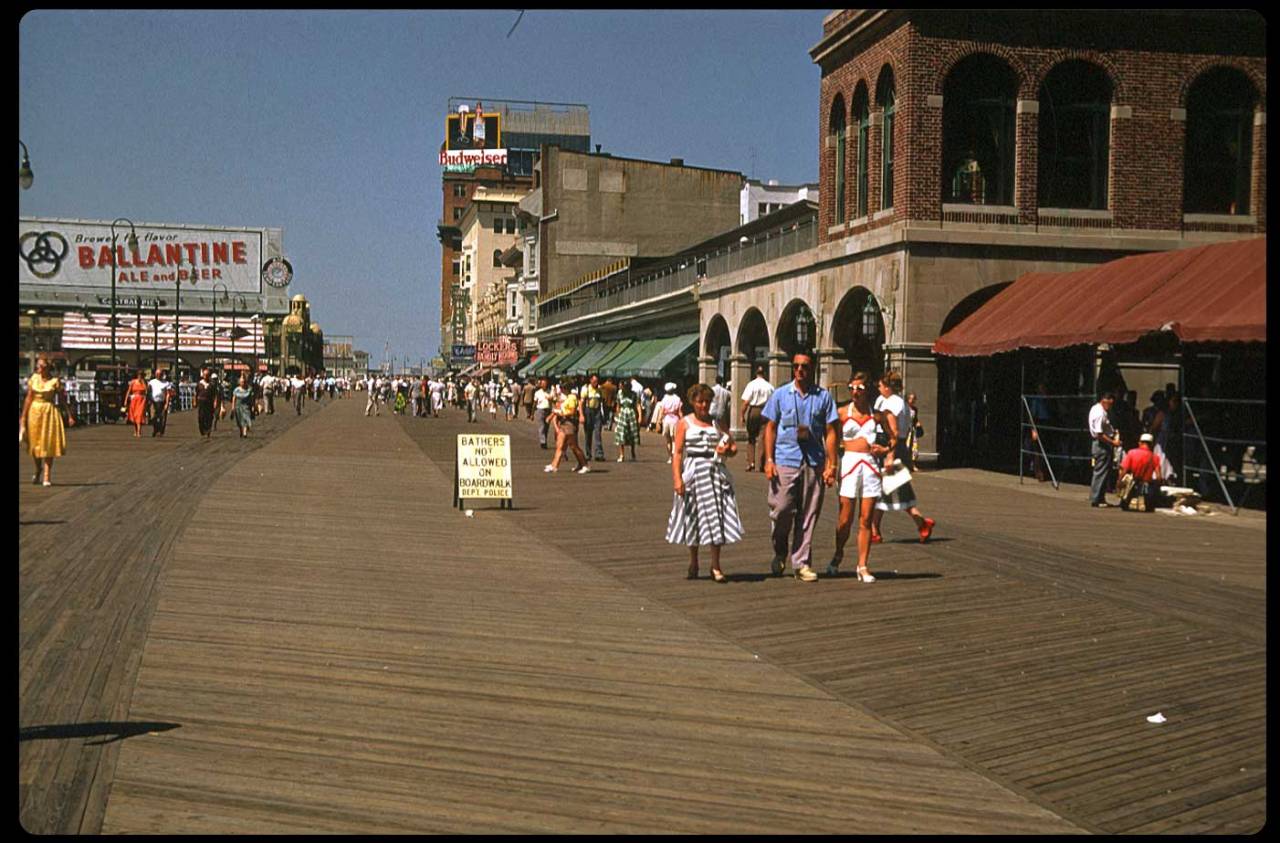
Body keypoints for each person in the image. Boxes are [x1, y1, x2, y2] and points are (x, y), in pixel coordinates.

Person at [760, 351, 839, 582]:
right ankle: (780, 550)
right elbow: (770, 427)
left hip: (813, 461)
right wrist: (768, 460)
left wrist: (831, 465)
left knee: (808, 514)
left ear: (811, 368)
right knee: (782, 509)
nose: (799, 370)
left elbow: (832, 431)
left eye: (804, 366)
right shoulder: (781, 395)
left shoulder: (823, 397)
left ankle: (801, 563)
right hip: (785, 458)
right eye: (796, 366)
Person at [666, 383, 743, 582]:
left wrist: (726, 451)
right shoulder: (684, 423)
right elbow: (678, 453)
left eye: (707, 402)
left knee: (715, 516)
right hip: (693, 472)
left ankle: (715, 565)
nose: (704, 406)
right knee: (693, 517)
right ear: (692, 402)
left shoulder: (717, 422)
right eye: (700, 402)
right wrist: (677, 478)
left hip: (714, 471)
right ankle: (694, 561)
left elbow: (733, 447)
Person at [828, 372, 891, 582]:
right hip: (849, 465)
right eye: (852, 387)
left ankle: (862, 565)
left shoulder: (877, 415)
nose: (855, 392)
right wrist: (832, 462)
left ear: (868, 391)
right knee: (845, 518)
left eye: (860, 388)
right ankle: (838, 553)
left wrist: (885, 449)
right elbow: (829, 435)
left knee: (866, 519)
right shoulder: (843, 413)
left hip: (870, 466)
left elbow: (894, 438)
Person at [871, 371, 936, 543]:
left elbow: (894, 432)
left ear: (887, 387)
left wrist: (889, 454)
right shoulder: (893, 401)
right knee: (886, 490)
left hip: (891, 447)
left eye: (880, 385)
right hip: (890, 446)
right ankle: (875, 529)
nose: (878, 387)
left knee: (890, 489)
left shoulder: (894, 403)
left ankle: (921, 523)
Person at [19, 357, 76, 487]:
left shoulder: (54, 381)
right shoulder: (34, 378)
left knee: (48, 443)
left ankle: (46, 474)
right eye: (38, 366)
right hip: (34, 411)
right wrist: (23, 416)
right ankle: (38, 468)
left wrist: (69, 415)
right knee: (35, 444)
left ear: (46, 368)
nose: (38, 368)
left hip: (48, 412)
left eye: (40, 366)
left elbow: (62, 399)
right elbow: (28, 398)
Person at [545, 384, 590, 474]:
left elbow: (572, 411)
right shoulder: (566, 398)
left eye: (562, 388)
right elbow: (560, 408)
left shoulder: (572, 398)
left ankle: (585, 465)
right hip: (563, 424)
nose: (561, 390)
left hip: (570, 424)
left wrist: (562, 414)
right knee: (560, 445)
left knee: (574, 446)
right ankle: (554, 465)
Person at [1088, 391, 1121, 507]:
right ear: (1105, 401)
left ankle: (1099, 497)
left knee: (1103, 471)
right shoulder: (1100, 413)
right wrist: (1113, 442)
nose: (1110, 406)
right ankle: (1096, 498)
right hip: (1102, 444)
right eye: (1110, 404)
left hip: (1102, 443)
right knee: (1100, 471)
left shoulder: (1095, 409)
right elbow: (1099, 434)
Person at [740, 365, 775, 471]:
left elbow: (746, 402)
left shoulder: (751, 385)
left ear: (756, 373)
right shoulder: (769, 386)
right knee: (762, 438)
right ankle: (761, 464)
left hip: (753, 410)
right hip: (765, 410)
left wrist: (742, 415)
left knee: (751, 437)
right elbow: (773, 402)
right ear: (764, 374)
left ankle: (751, 463)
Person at [1118, 432, 1162, 511]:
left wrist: (1119, 481)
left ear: (1140, 443)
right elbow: (1159, 477)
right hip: (1146, 486)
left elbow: (1124, 470)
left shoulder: (1131, 453)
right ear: (1152, 444)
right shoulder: (1155, 457)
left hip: (1132, 485)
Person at [579, 373, 606, 461]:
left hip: (597, 411)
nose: (596, 383)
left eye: (597, 381)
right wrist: (581, 415)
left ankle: (599, 454)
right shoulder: (585, 389)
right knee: (588, 434)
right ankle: (588, 453)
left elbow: (602, 401)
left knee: (598, 433)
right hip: (588, 411)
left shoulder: (599, 389)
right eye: (594, 381)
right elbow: (581, 403)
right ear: (590, 380)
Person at [613, 383, 640, 462]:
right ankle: (622, 454)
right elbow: (618, 405)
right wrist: (617, 416)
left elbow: (637, 405)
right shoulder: (620, 394)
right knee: (621, 433)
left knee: (632, 434)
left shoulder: (634, 394)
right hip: (622, 414)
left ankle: (633, 453)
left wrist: (640, 416)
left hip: (631, 414)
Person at [658, 382, 684, 464]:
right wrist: (683, 420)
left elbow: (662, 411)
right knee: (674, 439)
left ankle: (670, 457)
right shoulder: (677, 399)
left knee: (668, 440)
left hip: (666, 419)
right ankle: (674, 454)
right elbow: (680, 412)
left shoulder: (664, 398)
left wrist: (659, 420)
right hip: (675, 419)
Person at [148, 369, 173, 437]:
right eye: (157, 374)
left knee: (162, 417)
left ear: (162, 375)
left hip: (162, 401)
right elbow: (149, 391)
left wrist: (167, 403)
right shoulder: (151, 382)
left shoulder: (166, 383)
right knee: (153, 417)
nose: (158, 375)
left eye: (159, 374)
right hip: (153, 402)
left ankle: (161, 431)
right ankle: (155, 429)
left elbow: (168, 394)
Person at [124, 369, 149, 438]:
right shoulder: (133, 382)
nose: (140, 376)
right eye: (139, 375)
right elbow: (129, 391)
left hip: (141, 400)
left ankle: (139, 431)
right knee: (134, 416)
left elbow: (146, 391)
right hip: (134, 400)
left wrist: (143, 383)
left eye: (142, 375)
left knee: (139, 415)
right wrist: (126, 400)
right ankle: (135, 430)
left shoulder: (145, 382)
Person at [195, 367, 216, 440]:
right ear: (203, 375)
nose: (206, 376)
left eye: (207, 375)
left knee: (209, 417)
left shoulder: (212, 384)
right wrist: (195, 401)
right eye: (205, 375)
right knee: (201, 417)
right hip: (201, 402)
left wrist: (215, 403)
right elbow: (196, 393)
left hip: (209, 402)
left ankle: (208, 430)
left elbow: (215, 395)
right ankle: (202, 429)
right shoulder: (199, 384)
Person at [231, 373, 254, 438]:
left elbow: (251, 398)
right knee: (239, 420)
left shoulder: (249, 389)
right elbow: (234, 398)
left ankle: (245, 432)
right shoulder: (236, 389)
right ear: (239, 382)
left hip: (246, 406)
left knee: (246, 418)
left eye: (244, 382)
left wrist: (252, 406)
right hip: (238, 406)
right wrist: (233, 407)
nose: (242, 383)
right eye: (241, 382)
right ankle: (241, 430)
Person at [533, 377, 553, 449]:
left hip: (548, 410)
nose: (544, 384)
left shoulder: (550, 392)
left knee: (546, 427)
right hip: (540, 410)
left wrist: (551, 399)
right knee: (542, 426)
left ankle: (545, 440)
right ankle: (543, 442)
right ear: (541, 384)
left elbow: (553, 400)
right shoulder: (537, 393)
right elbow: (535, 403)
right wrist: (532, 414)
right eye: (543, 383)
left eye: (545, 383)